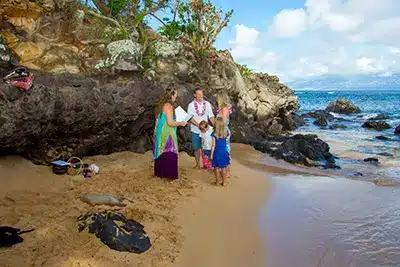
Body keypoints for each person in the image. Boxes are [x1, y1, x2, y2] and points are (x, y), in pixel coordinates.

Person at [153, 88, 187, 179]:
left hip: (161, 132)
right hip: (167, 132)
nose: (176, 96)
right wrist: (181, 123)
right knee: (169, 150)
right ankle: (169, 174)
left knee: (161, 151)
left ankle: (160, 173)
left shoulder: (161, 105)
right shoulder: (169, 106)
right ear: (171, 96)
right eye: (175, 95)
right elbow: (170, 123)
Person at [187, 88, 215, 169]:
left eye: (201, 94)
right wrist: (198, 125)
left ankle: (205, 164)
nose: (200, 96)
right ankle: (197, 164)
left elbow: (211, 116)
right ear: (194, 95)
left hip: (206, 131)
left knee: (205, 147)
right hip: (195, 130)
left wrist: (216, 127)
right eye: (198, 94)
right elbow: (190, 118)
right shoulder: (191, 105)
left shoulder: (207, 104)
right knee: (196, 148)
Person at [216, 91, 232, 176]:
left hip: (223, 132)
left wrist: (221, 133)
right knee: (222, 150)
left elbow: (224, 122)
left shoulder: (225, 108)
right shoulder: (221, 108)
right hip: (220, 131)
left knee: (226, 151)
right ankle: (223, 169)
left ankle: (227, 172)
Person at [211, 117, 230, 186]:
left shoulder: (214, 134)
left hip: (217, 152)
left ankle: (217, 182)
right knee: (223, 167)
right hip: (224, 152)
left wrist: (211, 154)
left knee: (216, 167)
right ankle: (224, 182)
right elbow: (227, 140)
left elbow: (213, 145)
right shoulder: (226, 133)